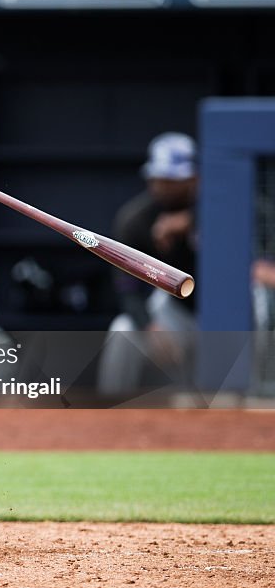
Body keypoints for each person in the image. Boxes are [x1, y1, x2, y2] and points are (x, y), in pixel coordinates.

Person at [97, 132, 198, 396]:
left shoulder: (220, 207)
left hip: (232, 316)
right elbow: (126, 288)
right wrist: (150, 327)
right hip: (180, 311)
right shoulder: (136, 221)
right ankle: (109, 417)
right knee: (123, 330)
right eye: (157, 179)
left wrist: (194, 222)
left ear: (193, 178)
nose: (161, 186)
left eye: (171, 180)